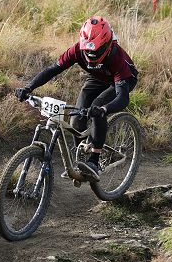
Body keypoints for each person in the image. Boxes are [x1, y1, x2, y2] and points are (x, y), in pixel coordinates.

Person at [15, 16, 138, 181]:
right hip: (97, 78)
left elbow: (123, 98)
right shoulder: (76, 50)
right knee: (78, 117)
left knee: (97, 107)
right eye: (88, 51)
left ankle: (94, 161)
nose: (91, 55)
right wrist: (29, 88)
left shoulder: (116, 58)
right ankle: (81, 161)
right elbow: (52, 70)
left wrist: (104, 109)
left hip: (121, 80)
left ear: (108, 45)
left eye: (97, 51)